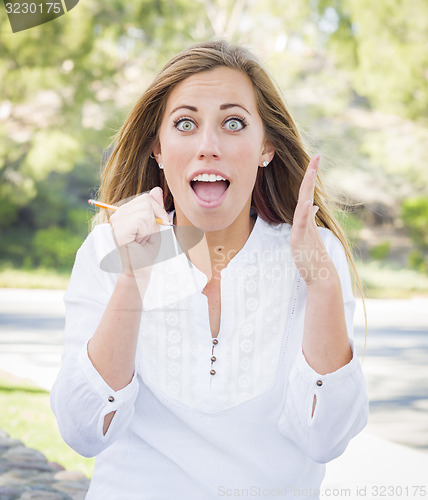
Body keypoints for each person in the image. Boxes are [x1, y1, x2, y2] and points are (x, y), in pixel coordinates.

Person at [51, 39, 369, 499]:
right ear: (158, 149)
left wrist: (319, 283)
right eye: (185, 124)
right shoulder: (109, 249)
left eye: (234, 123)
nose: (208, 146)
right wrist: (134, 276)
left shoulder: (317, 256)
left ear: (267, 148)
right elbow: (83, 433)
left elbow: (325, 440)